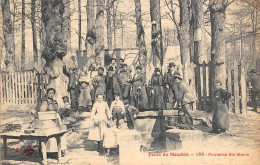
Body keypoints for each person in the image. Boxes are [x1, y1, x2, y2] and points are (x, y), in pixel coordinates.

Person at [39, 88, 67, 156]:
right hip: (48, 120)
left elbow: (57, 110)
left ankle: (60, 150)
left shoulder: (55, 102)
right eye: (49, 93)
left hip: (56, 119)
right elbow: (42, 111)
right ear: (47, 94)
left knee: (60, 134)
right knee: (50, 135)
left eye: (52, 93)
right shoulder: (45, 102)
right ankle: (50, 152)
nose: (51, 95)